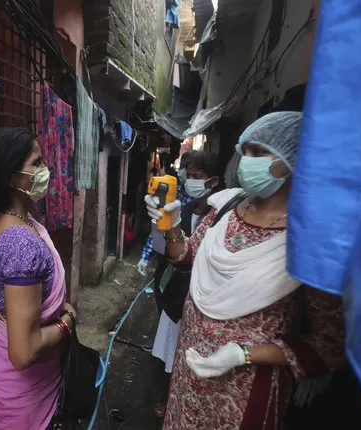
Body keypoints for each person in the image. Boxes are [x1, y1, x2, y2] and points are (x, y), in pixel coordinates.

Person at [149, 112, 345, 429]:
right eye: (246, 150)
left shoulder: (311, 245)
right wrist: (169, 227)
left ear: (295, 158)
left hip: (243, 389)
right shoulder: (225, 206)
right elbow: (185, 256)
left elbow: (329, 346)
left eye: (259, 152)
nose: (245, 161)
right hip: (190, 369)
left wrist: (243, 354)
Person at [0, 127, 77, 430]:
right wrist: (67, 320)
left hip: (4, 384)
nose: (46, 170)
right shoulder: (20, 244)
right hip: (23, 399)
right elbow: (24, 351)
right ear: (10, 178)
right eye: (37, 163)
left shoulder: (4, 221)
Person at [146, 150, 223, 417]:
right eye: (188, 175)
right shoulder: (183, 208)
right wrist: (161, 227)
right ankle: (167, 399)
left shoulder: (220, 216)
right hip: (175, 292)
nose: (191, 181)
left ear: (213, 181)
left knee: (191, 356)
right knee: (169, 350)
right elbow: (165, 249)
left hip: (202, 298)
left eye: (197, 176)